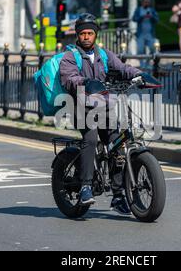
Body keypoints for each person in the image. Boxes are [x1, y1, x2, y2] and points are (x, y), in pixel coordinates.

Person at [60, 13, 143, 215]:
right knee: (90, 138)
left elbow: (122, 68)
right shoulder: (70, 57)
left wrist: (138, 75)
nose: (86, 37)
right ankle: (85, 187)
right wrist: (83, 82)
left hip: (104, 106)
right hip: (81, 107)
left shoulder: (104, 55)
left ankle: (118, 195)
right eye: (83, 34)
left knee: (116, 142)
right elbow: (68, 78)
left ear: (95, 34)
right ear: (77, 36)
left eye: (90, 33)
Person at [132, 0, 159, 65]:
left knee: (153, 49)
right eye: (145, 2)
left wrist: (151, 17)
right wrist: (142, 17)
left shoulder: (152, 10)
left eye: (148, 2)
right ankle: (142, 64)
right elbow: (134, 18)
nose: (146, 3)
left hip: (150, 34)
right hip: (141, 34)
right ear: (142, 2)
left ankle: (147, 62)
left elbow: (157, 20)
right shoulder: (138, 9)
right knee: (140, 50)